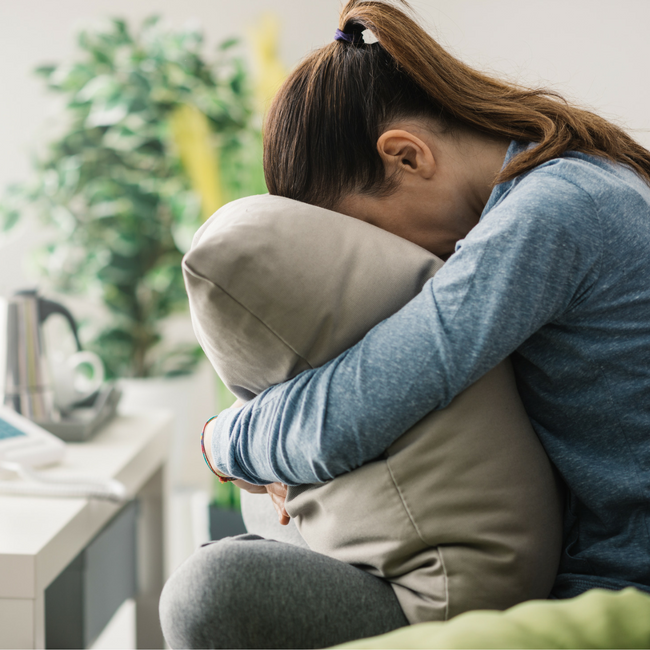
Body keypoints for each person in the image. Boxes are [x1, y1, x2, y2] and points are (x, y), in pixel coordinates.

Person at [159, 1, 650, 648]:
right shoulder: (587, 184)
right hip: (592, 569)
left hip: (621, 587)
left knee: (216, 589)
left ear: (407, 158)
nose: (390, 259)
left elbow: (353, 410)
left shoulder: (554, 213)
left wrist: (220, 441)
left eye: (366, 231)